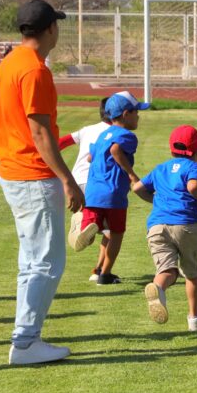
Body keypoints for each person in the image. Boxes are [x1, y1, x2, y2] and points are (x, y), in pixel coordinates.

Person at [0, 0, 82, 365]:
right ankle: (27, 342)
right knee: (46, 262)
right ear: (50, 29)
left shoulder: (11, 61)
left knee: (31, 261)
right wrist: (68, 179)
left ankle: (26, 337)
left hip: (13, 170)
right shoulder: (34, 70)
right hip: (33, 174)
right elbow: (41, 133)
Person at [132, 125, 197, 331]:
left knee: (167, 269)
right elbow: (193, 186)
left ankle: (159, 289)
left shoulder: (161, 168)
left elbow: (137, 188)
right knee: (192, 271)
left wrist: (156, 203)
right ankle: (195, 317)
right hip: (185, 224)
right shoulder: (195, 168)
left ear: (172, 149)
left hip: (157, 226)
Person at [68, 91, 149, 285]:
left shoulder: (103, 134)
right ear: (125, 114)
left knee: (96, 224)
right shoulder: (127, 136)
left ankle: (84, 227)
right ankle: (105, 273)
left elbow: (90, 157)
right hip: (113, 191)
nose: (138, 116)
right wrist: (131, 174)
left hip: (93, 190)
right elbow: (115, 150)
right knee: (116, 233)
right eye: (136, 112)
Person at [59, 98, 114, 281]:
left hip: (76, 182)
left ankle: (84, 221)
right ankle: (100, 272)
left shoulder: (87, 130)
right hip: (99, 183)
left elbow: (61, 143)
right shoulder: (117, 133)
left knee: (102, 226)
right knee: (112, 231)